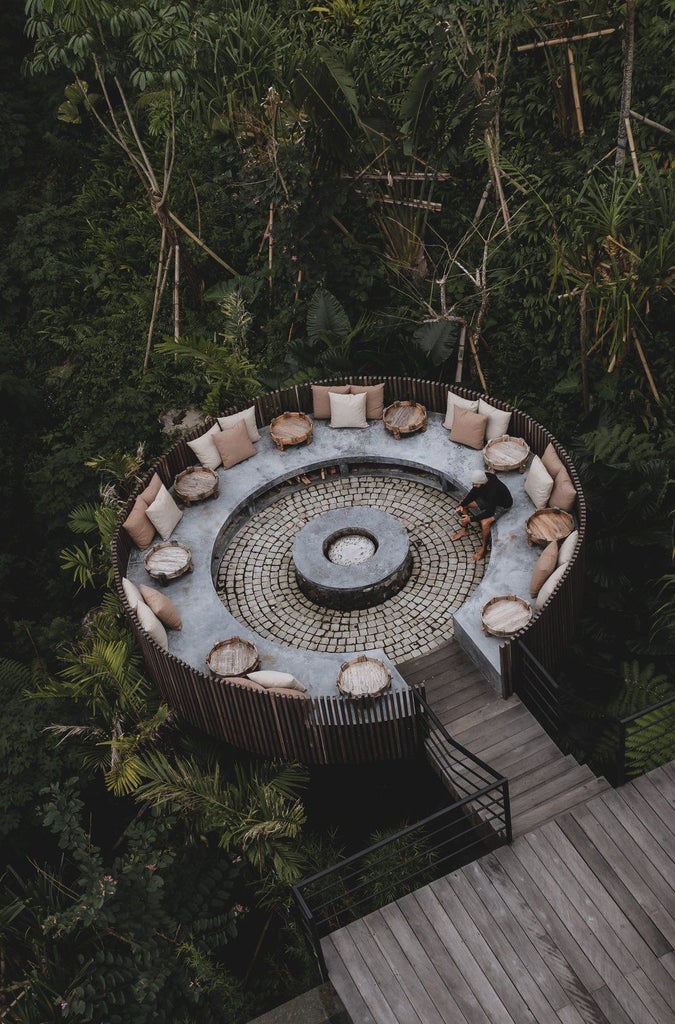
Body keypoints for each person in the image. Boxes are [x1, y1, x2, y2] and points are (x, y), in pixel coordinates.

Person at [451, 468, 513, 561]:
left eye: (476, 484)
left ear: (483, 483)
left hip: (501, 505)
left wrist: (471, 519)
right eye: (473, 483)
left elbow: (490, 512)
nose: (474, 485)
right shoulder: (485, 478)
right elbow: (473, 492)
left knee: (485, 523)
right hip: (488, 499)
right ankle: (464, 530)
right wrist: (462, 504)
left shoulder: (493, 491)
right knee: (463, 504)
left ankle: (484, 549)